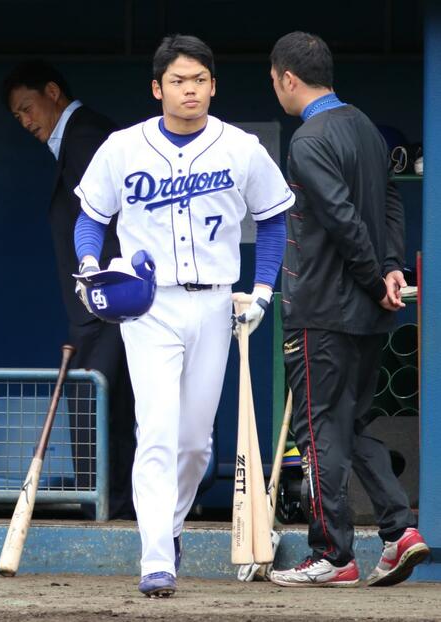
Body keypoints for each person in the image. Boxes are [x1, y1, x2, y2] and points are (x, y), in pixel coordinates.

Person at [73, 35, 294, 597]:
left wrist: (262, 290)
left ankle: (168, 529)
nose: (189, 89)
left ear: (213, 86)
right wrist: (90, 265)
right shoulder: (123, 147)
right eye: (178, 80)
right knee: (157, 432)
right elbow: (91, 217)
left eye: (199, 79)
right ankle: (155, 561)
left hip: (216, 300)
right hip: (148, 304)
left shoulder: (239, 148)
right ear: (157, 88)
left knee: (195, 442)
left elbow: (273, 220)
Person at [267, 31, 429, 588]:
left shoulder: (308, 138)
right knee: (350, 425)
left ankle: (333, 556)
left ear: (288, 78)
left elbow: (339, 217)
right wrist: (391, 271)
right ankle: (399, 531)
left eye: (275, 80)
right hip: (370, 310)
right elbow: (389, 202)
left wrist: (372, 272)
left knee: (316, 434)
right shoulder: (364, 126)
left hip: (321, 311)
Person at [1, 60, 136, 520]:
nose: (25, 121)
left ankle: (108, 508)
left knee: (94, 405)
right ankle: (111, 506)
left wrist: (102, 283)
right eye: (17, 116)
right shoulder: (80, 135)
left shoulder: (84, 134)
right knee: (103, 405)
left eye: (27, 107)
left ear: (53, 91)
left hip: (106, 305)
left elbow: (106, 216)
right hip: (102, 307)